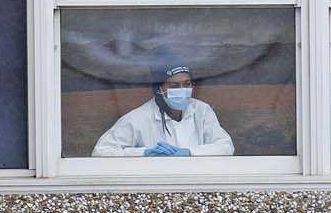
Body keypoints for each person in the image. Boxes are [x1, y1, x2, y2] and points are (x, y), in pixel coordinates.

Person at [92, 64, 235, 157]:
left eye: (186, 84)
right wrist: (143, 153)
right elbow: (100, 152)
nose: (182, 90)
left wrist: (190, 152)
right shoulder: (138, 118)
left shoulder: (201, 110)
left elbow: (226, 146)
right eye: (174, 86)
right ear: (158, 89)